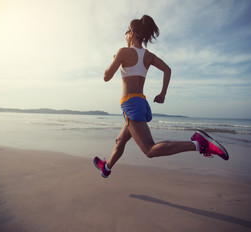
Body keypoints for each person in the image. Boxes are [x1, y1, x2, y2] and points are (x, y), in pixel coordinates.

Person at [93, 15, 229, 178]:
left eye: (127, 32)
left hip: (131, 104)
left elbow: (106, 76)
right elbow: (167, 69)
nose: (125, 35)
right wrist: (162, 94)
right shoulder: (148, 55)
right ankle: (106, 168)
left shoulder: (123, 52)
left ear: (132, 33)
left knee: (149, 149)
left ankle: (198, 144)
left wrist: (116, 58)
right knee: (120, 141)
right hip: (140, 103)